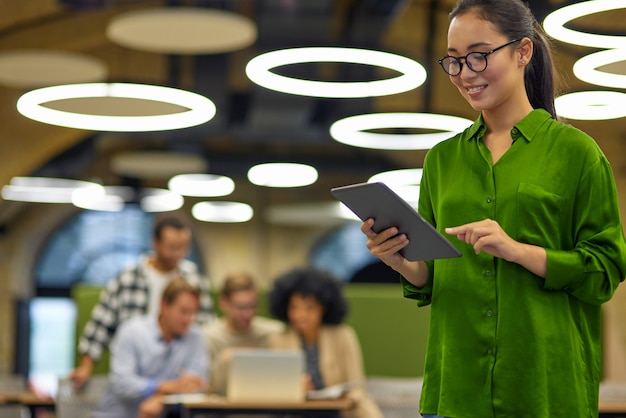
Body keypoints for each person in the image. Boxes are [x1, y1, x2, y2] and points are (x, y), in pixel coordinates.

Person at [360, 0, 626, 417]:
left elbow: (605, 270)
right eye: (454, 61)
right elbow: (433, 277)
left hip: (545, 389)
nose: (465, 73)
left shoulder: (577, 154)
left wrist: (518, 251)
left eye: (479, 55)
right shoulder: (442, 160)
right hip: (456, 389)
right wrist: (399, 260)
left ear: (523, 52)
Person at [71, 216, 215, 388]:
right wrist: (86, 367)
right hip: (135, 370)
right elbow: (102, 323)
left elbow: (207, 327)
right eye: (172, 248)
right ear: (155, 243)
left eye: (183, 248)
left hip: (176, 372)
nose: (177, 254)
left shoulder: (193, 278)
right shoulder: (129, 277)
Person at [268, 266, 383, 418]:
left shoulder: (342, 335)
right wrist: (295, 389)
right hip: (294, 411)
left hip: (336, 412)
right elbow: (272, 389)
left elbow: (357, 385)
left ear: (324, 308)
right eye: (294, 307)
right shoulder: (278, 339)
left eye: (309, 308)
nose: (300, 315)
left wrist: (344, 397)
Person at [92, 278, 208, 418]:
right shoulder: (132, 331)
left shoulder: (195, 337)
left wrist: (160, 399)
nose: (189, 319)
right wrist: (164, 386)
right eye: (183, 312)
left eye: (193, 312)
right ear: (164, 305)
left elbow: (196, 385)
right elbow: (122, 383)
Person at [202, 271, 284, 395]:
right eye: (241, 307)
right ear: (224, 303)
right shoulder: (208, 336)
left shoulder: (274, 332)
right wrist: (224, 362)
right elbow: (206, 387)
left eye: (252, 306)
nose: (248, 313)